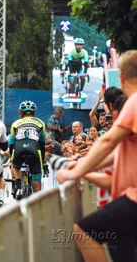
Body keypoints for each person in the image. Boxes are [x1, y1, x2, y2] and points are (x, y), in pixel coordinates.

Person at [56, 50, 137, 262]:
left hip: (134, 197)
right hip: (127, 197)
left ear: (121, 76)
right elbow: (116, 154)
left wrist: (77, 171)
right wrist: (84, 169)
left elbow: (108, 142)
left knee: (84, 231)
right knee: (122, 252)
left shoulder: (134, 102)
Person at [9, 101, 46, 199]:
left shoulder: (15, 123)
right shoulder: (40, 123)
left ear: (20, 112)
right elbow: (42, 144)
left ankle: (18, 185)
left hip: (19, 148)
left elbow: (11, 143)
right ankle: (37, 203)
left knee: (15, 166)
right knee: (37, 184)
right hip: (35, 149)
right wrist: (43, 160)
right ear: (34, 112)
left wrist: (11, 159)